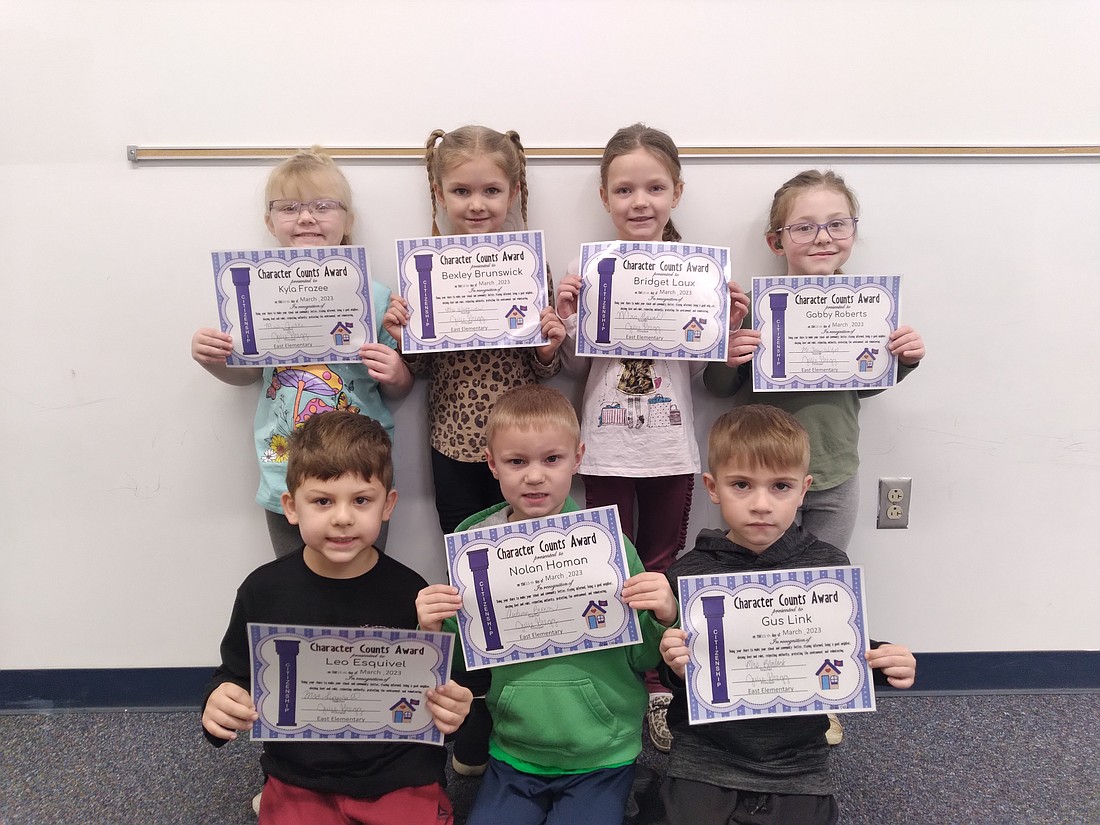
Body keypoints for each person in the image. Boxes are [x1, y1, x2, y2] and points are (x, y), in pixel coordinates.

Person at [555, 123, 749, 753]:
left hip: (669, 449)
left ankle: (660, 683)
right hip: (605, 446)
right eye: (625, 189)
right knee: (609, 564)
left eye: (655, 187)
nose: (640, 201)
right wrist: (565, 320)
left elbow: (715, 378)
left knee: (663, 564)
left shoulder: (702, 277)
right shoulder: (591, 275)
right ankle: (619, 676)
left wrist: (730, 323)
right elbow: (576, 372)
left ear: (677, 192)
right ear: (606, 197)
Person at [416, 385, 679, 825]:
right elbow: (467, 658)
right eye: (517, 461)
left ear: (578, 458)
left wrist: (664, 614)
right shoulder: (474, 541)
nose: (534, 476)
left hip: (603, 750)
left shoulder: (607, 542)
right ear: (492, 464)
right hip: (515, 748)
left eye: (551, 459)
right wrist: (433, 630)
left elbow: (645, 655)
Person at [201, 410, 473, 825]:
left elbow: (438, 708)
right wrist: (217, 702)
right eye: (322, 501)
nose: (342, 517)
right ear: (291, 507)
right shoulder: (263, 590)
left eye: (361, 500)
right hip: (301, 775)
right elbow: (235, 674)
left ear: (388, 505)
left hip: (397, 772)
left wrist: (452, 715)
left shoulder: (410, 592)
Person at [657, 405, 917, 825]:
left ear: (803, 489)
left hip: (795, 759)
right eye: (741, 485)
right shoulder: (691, 573)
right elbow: (677, 671)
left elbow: (838, 649)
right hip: (707, 752)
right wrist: (673, 665)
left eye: (780, 486)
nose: (761, 504)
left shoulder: (827, 566)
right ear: (713, 486)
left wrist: (886, 661)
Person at [191, 148, 412, 558]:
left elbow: (398, 391)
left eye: (323, 206)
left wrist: (397, 372)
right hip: (284, 466)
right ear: (269, 222)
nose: (306, 217)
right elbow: (247, 376)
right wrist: (216, 362)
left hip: (361, 469)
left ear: (348, 221)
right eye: (289, 207)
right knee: (293, 580)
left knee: (365, 576)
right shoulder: (251, 297)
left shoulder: (378, 298)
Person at [705, 169, 925, 554]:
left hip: (835, 471)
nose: (823, 237)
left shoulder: (869, 311)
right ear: (777, 241)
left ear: (853, 233)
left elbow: (865, 385)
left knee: (825, 579)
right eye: (804, 228)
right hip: (761, 478)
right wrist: (727, 359)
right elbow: (718, 389)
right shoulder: (757, 309)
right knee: (760, 577)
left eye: (837, 225)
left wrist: (901, 361)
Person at [384, 126, 565, 538]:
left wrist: (548, 349)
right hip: (453, 440)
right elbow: (423, 367)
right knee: (463, 552)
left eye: (491, 191)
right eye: (462, 191)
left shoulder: (530, 267)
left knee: (529, 551)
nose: (477, 205)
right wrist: (403, 337)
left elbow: (545, 373)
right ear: (439, 193)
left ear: (513, 192)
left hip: (525, 446)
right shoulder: (422, 270)